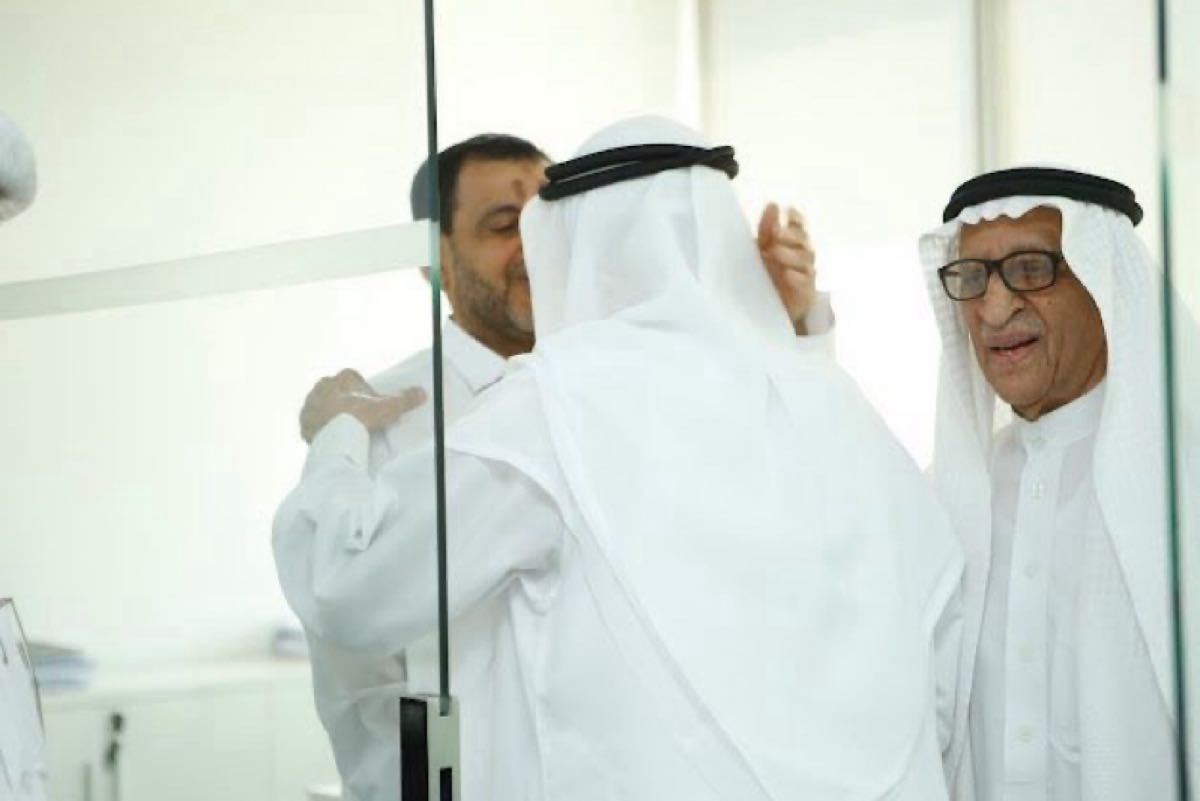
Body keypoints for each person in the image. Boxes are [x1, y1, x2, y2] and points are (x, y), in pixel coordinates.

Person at [274, 115, 963, 800]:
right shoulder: (828, 398)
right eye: (503, 224)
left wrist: (335, 437)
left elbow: (345, 582)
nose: (532, 249)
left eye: (539, 225)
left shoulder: (556, 406)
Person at [919, 167, 1198, 800]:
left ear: (1102, 283)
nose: (994, 309)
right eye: (974, 277)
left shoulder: (1183, 481)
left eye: (1031, 269)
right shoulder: (946, 498)